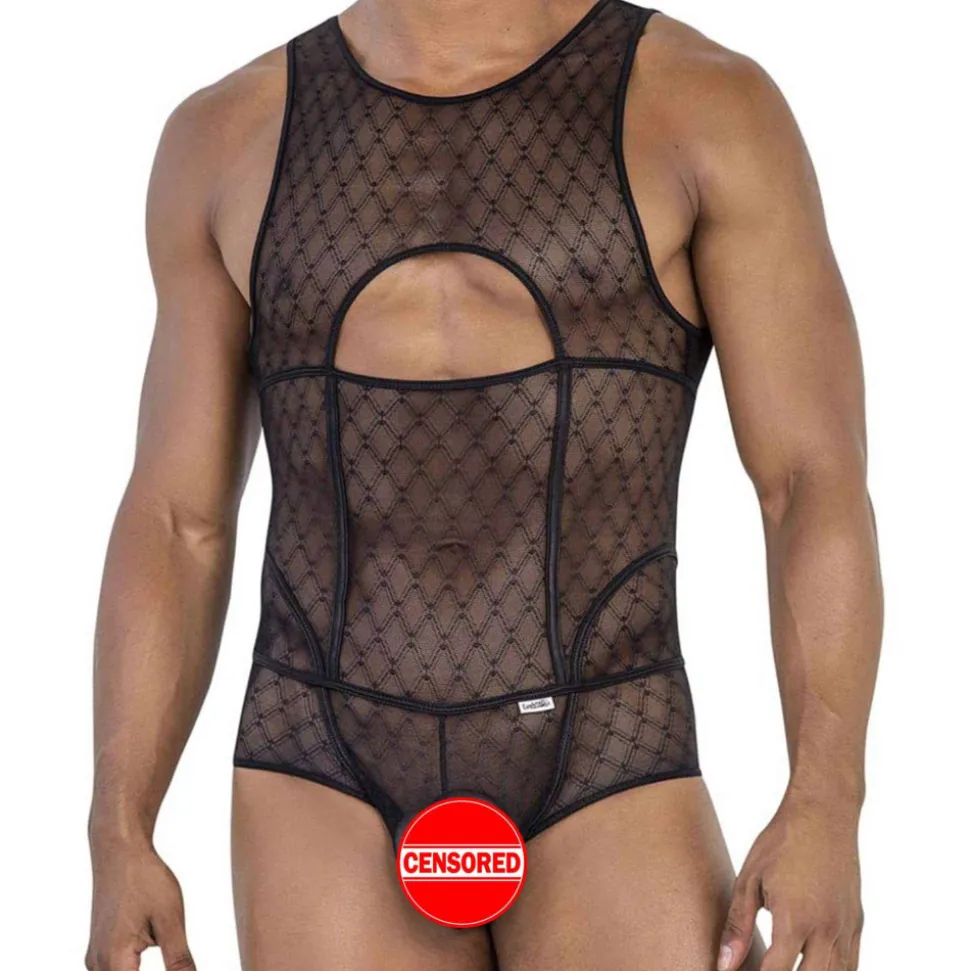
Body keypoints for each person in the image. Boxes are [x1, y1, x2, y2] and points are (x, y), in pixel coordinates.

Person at [85, 1, 882, 969]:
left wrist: (825, 801)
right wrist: (119, 827)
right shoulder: (226, 136)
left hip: (608, 745)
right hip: (323, 759)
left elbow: (808, 479)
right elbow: (177, 518)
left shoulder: (704, 108)